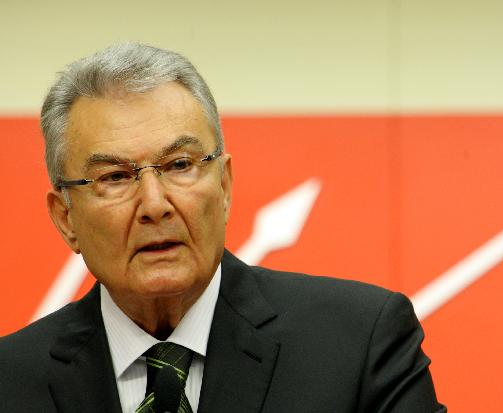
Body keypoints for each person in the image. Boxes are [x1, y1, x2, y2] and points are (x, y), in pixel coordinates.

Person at [0, 43, 446, 412]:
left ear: (225, 186)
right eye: (115, 177)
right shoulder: (11, 382)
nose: (155, 205)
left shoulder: (358, 345)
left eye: (179, 165)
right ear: (66, 218)